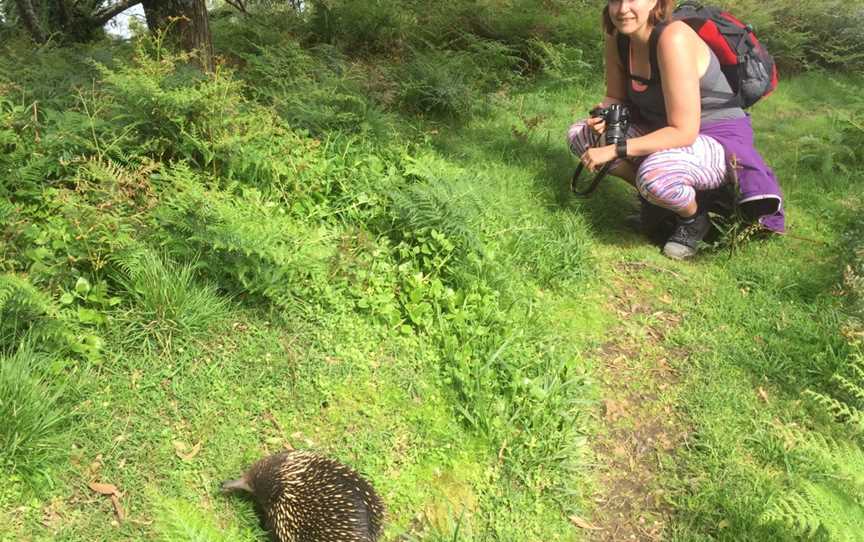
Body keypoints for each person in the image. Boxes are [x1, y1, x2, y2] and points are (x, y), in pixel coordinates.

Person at [567, 0, 784, 260]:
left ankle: (693, 217)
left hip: (716, 135)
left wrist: (616, 149)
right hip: (664, 128)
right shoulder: (617, 37)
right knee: (582, 137)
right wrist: (603, 115)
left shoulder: (674, 38)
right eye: (615, 0)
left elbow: (683, 132)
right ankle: (660, 201)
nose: (623, 9)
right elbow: (615, 96)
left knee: (653, 174)